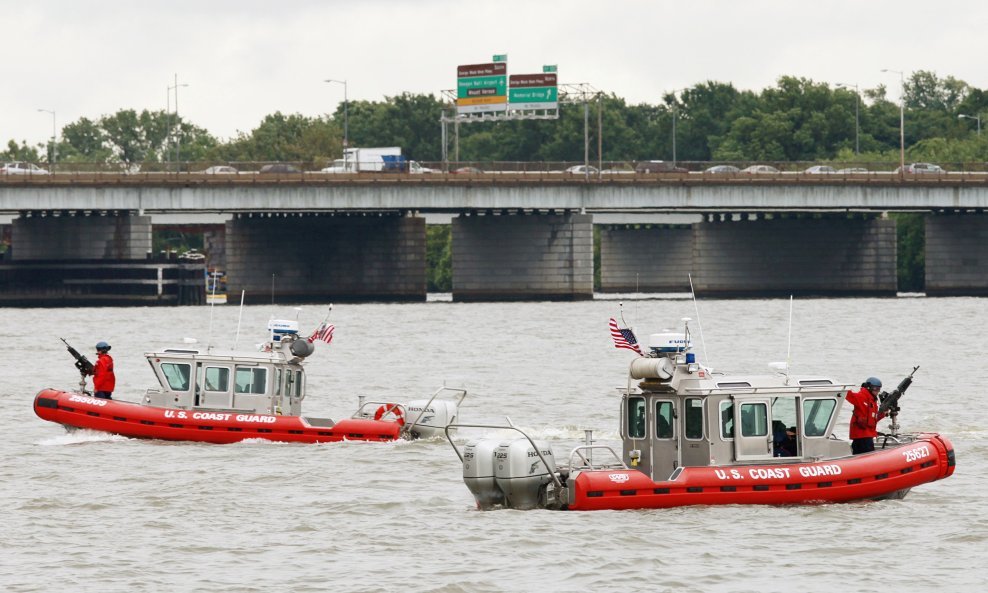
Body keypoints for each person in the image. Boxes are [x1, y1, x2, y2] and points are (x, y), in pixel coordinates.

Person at [846, 377, 886, 454]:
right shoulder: (861, 396)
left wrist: (883, 413)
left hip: (867, 436)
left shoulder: (873, 401)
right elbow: (848, 395)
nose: (877, 391)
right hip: (861, 437)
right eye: (875, 388)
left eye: (879, 389)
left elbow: (873, 419)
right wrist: (842, 388)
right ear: (869, 387)